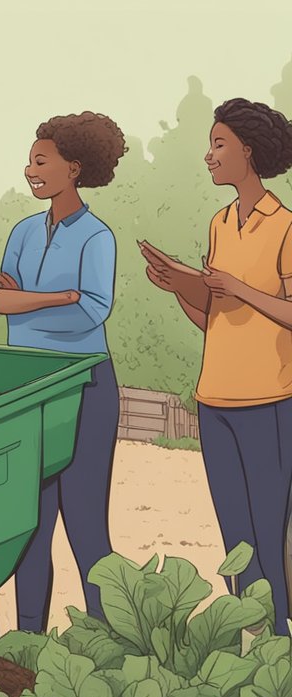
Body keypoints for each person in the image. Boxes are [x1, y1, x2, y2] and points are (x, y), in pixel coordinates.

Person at [141, 98, 292, 635]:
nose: (208, 156)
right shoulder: (219, 223)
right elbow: (217, 321)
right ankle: (246, 636)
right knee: (235, 536)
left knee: (269, 532)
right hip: (215, 400)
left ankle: (277, 641)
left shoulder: (286, 227)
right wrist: (182, 288)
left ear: (248, 152)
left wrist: (238, 288)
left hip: (270, 401)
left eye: (218, 144)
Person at [0, 112, 127, 634]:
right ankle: (28, 640)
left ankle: (108, 639)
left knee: (87, 522)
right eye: (29, 161)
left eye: (40, 161)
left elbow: (90, 312)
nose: (29, 170)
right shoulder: (23, 231)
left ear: (74, 167)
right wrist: (55, 296)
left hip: (86, 388)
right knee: (31, 524)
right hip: (27, 390)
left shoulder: (97, 236)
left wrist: (25, 301)